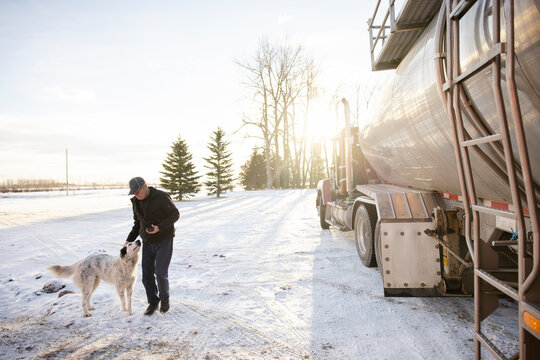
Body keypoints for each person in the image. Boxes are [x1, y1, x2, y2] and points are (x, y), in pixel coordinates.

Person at [125, 177, 179, 315]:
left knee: (160, 273)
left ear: (145, 187)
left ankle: (165, 299)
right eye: (134, 193)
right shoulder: (136, 202)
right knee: (147, 275)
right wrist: (129, 240)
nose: (136, 195)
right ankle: (153, 302)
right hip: (148, 241)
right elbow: (138, 224)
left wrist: (159, 227)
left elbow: (175, 214)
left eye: (138, 192)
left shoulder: (161, 197)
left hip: (164, 239)